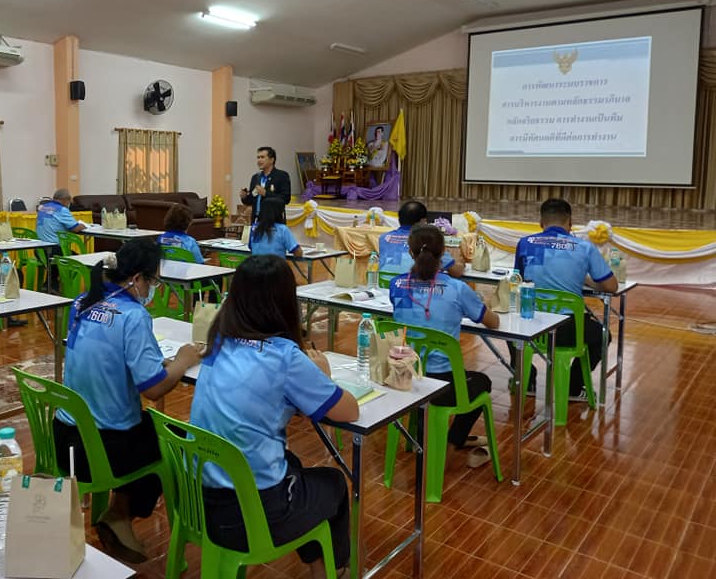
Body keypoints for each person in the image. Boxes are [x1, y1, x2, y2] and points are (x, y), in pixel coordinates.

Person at [190, 255, 358, 579]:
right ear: (285, 302)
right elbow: (349, 410)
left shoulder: (217, 341)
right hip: (247, 516)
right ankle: (333, 571)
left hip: (199, 500)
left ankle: (319, 564)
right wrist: (324, 375)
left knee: (293, 465)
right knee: (334, 484)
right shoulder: (285, 357)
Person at [52, 238, 201, 564]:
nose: (154, 289)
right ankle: (119, 514)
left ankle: (116, 512)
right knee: (174, 444)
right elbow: (154, 390)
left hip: (64, 437)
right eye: (153, 281)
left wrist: (157, 362)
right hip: (103, 448)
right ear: (137, 279)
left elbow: (105, 355)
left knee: (147, 430)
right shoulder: (133, 316)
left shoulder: (82, 301)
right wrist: (183, 361)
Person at [390, 224, 500, 468]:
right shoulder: (457, 288)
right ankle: (452, 441)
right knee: (482, 382)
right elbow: (492, 322)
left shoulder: (396, 285)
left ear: (410, 252)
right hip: (442, 384)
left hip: (404, 375)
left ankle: (423, 437)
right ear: (444, 253)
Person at [514, 198, 617, 397]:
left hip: (532, 325)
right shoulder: (584, 247)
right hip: (569, 330)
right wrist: (587, 281)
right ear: (570, 223)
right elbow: (611, 286)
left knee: (509, 329)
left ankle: (527, 379)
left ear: (541, 222)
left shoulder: (525, 243)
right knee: (603, 336)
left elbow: (517, 279)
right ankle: (573, 387)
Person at [378, 201, 464, 280]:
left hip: (384, 285)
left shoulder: (384, 238)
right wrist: (459, 260)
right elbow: (457, 272)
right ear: (423, 221)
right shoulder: (428, 240)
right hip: (414, 288)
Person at [240, 146, 292, 223]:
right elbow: (251, 200)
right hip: (256, 220)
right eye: (258, 157)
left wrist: (265, 193)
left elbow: (285, 199)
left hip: (273, 221)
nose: (259, 160)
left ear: (271, 160)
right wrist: (245, 197)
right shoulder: (255, 177)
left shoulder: (282, 176)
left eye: (262, 157)